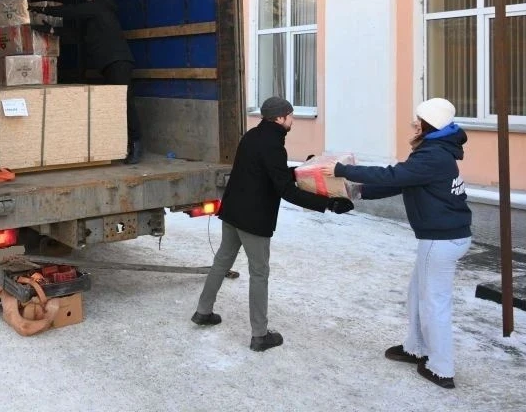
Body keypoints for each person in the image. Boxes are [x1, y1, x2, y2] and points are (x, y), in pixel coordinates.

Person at [318, 97, 471, 390]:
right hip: (441, 236)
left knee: (434, 303)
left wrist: (343, 170)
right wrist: (359, 192)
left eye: (419, 120)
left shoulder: (433, 155)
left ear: (429, 125)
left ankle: (441, 368)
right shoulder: (435, 151)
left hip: (441, 239)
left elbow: (393, 175)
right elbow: (402, 182)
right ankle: (416, 347)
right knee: (418, 295)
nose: (414, 124)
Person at [191, 96, 353, 352]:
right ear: (279, 118)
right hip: (253, 219)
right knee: (259, 273)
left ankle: (203, 311)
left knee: (222, 261)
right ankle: (260, 335)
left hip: (233, 211)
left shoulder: (252, 136)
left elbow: (269, 172)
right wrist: (328, 203)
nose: (292, 120)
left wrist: (304, 169)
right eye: (290, 115)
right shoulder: (274, 145)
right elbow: (285, 190)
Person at [31, 0, 141, 164]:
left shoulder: (99, 7)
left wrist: (44, 10)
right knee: (116, 104)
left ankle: (136, 144)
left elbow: (72, 11)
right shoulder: (97, 18)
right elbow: (78, 37)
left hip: (118, 63)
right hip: (111, 64)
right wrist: (51, 30)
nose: (88, 1)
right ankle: (123, 144)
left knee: (124, 103)